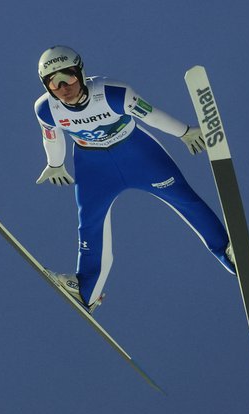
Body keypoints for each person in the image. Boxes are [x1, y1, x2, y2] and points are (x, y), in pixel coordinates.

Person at [34, 45, 235, 313]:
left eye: (68, 77)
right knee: (90, 224)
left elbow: (150, 114)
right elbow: (51, 136)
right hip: (94, 168)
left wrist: (184, 132)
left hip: (138, 155)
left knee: (185, 199)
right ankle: (86, 292)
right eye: (53, 83)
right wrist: (55, 164)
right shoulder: (47, 109)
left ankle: (229, 254)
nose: (63, 88)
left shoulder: (112, 93)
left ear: (80, 73)